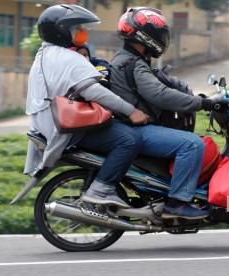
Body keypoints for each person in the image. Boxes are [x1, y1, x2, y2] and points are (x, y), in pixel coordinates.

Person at [110, 7, 229, 219]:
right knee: (192, 144)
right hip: (137, 129)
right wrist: (202, 103)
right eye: (158, 34)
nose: (161, 39)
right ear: (143, 35)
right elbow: (161, 95)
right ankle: (176, 203)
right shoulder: (132, 63)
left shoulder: (128, 60)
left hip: (132, 127)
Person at [24, 4, 149, 208]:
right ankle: (101, 189)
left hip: (49, 124)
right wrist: (132, 111)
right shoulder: (68, 58)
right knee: (129, 139)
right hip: (67, 129)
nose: (82, 32)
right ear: (62, 30)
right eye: (77, 28)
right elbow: (94, 91)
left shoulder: (45, 55)